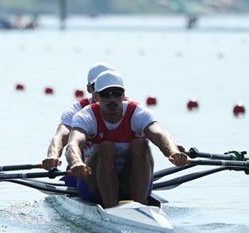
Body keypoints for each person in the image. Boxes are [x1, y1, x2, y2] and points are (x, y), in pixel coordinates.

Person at [65, 70, 188, 208]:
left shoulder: (138, 113)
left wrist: (173, 152)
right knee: (106, 147)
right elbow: (72, 144)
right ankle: (111, 209)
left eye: (117, 93)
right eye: (106, 94)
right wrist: (76, 162)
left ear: (124, 95)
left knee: (140, 145)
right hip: (93, 188)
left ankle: (140, 208)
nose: (112, 99)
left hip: (131, 183)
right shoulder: (86, 116)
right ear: (96, 96)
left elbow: (160, 135)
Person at [41, 62, 116, 171]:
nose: (105, 90)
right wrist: (53, 155)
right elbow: (60, 136)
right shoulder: (77, 110)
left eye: (110, 86)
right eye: (98, 85)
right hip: (84, 169)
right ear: (89, 88)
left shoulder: (132, 109)